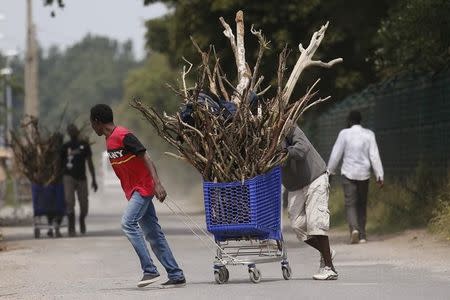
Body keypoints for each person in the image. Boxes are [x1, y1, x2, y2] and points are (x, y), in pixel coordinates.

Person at [89, 104, 186, 288]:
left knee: (128, 223)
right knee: (154, 234)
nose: (92, 128)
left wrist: (157, 183)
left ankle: (149, 270)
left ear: (97, 122)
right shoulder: (109, 140)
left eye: (92, 123)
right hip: (134, 190)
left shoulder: (123, 135)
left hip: (143, 188)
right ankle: (176, 274)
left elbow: (146, 157)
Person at [282, 124, 338, 280]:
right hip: (294, 186)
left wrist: (285, 152)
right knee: (297, 225)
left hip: (315, 178)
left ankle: (329, 268)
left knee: (315, 223)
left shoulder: (288, 127)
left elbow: (302, 149)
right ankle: (327, 251)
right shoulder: (261, 138)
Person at [327, 110, 384, 244]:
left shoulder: (344, 134)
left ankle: (354, 229)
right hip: (364, 174)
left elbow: (336, 154)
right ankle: (363, 235)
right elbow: (374, 156)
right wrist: (379, 175)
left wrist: (329, 171)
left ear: (349, 121)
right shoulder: (369, 134)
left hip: (348, 173)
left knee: (350, 204)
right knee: (362, 204)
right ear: (360, 120)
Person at [61, 124, 97, 236]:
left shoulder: (84, 145)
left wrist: (94, 179)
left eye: (74, 130)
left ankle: (82, 219)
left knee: (84, 204)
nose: (72, 132)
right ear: (68, 133)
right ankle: (71, 226)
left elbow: (90, 163)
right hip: (68, 177)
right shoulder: (65, 146)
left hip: (82, 177)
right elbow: (59, 163)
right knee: (69, 202)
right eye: (70, 131)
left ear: (77, 131)